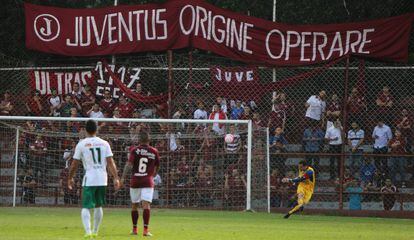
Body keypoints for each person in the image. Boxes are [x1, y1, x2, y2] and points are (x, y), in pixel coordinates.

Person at [67, 120, 121, 239]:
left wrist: (70, 178)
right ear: (97, 130)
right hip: (102, 179)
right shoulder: (104, 143)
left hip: (90, 178)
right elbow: (110, 162)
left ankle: (88, 232)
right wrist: (116, 178)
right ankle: (95, 231)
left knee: (86, 206)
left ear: (85, 130)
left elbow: (74, 163)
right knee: (98, 206)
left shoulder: (81, 144)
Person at [121, 131, 160, 236]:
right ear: (149, 140)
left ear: (139, 140)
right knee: (146, 205)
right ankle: (146, 230)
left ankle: (134, 229)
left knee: (134, 205)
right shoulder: (154, 151)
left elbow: (129, 165)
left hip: (135, 180)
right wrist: (153, 174)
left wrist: (123, 178)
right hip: (147, 180)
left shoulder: (135, 150)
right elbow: (157, 165)